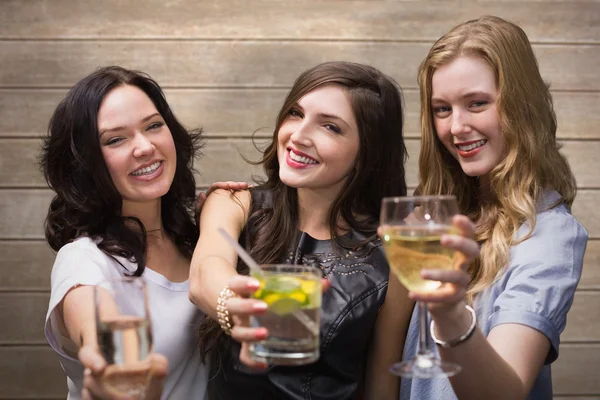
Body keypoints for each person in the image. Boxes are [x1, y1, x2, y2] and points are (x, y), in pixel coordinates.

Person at [188, 61, 479, 400]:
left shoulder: (392, 253)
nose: (298, 136)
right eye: (296, 114)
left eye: (330, 127)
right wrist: (235, 307)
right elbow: (205, 272)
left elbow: (382, 382)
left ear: (365, 153)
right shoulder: (232, 201)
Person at [400, 15, 588, 400]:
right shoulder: (437, 216)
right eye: (442, 109)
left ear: (521, 106)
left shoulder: (548, 235)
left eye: (477, 103)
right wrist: (242, 206)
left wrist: (450, 312)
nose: (456, 127)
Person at [40, 66, 211, 399]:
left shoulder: (199, 243)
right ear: (85, 162)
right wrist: (108, 366)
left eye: (154, 126)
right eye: (116, 139)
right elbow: (96, 326)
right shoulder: (83, 260)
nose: (145, 146)